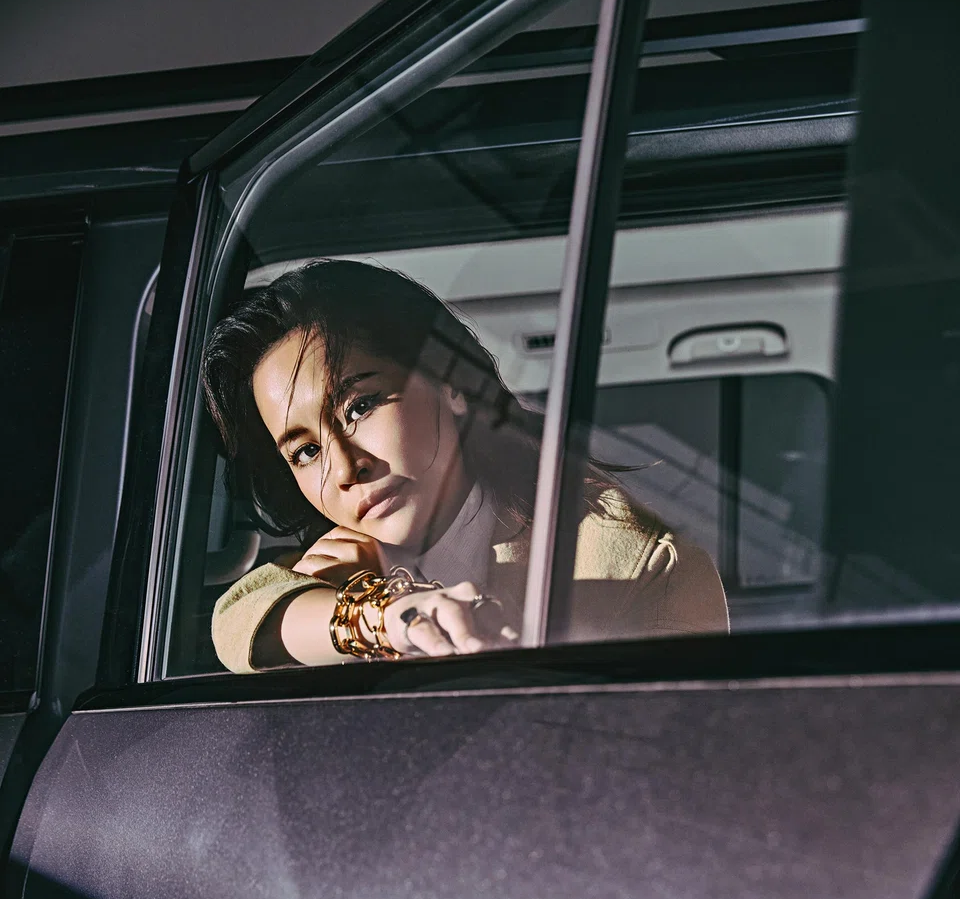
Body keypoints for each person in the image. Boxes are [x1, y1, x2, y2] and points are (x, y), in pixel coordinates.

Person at [202, 259, 728, 673]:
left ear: (450, 383)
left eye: (360, 407)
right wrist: (380, 615)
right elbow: (236, 622)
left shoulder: (646, 569)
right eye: (305, 451)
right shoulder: (338, 568)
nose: (344, 468)